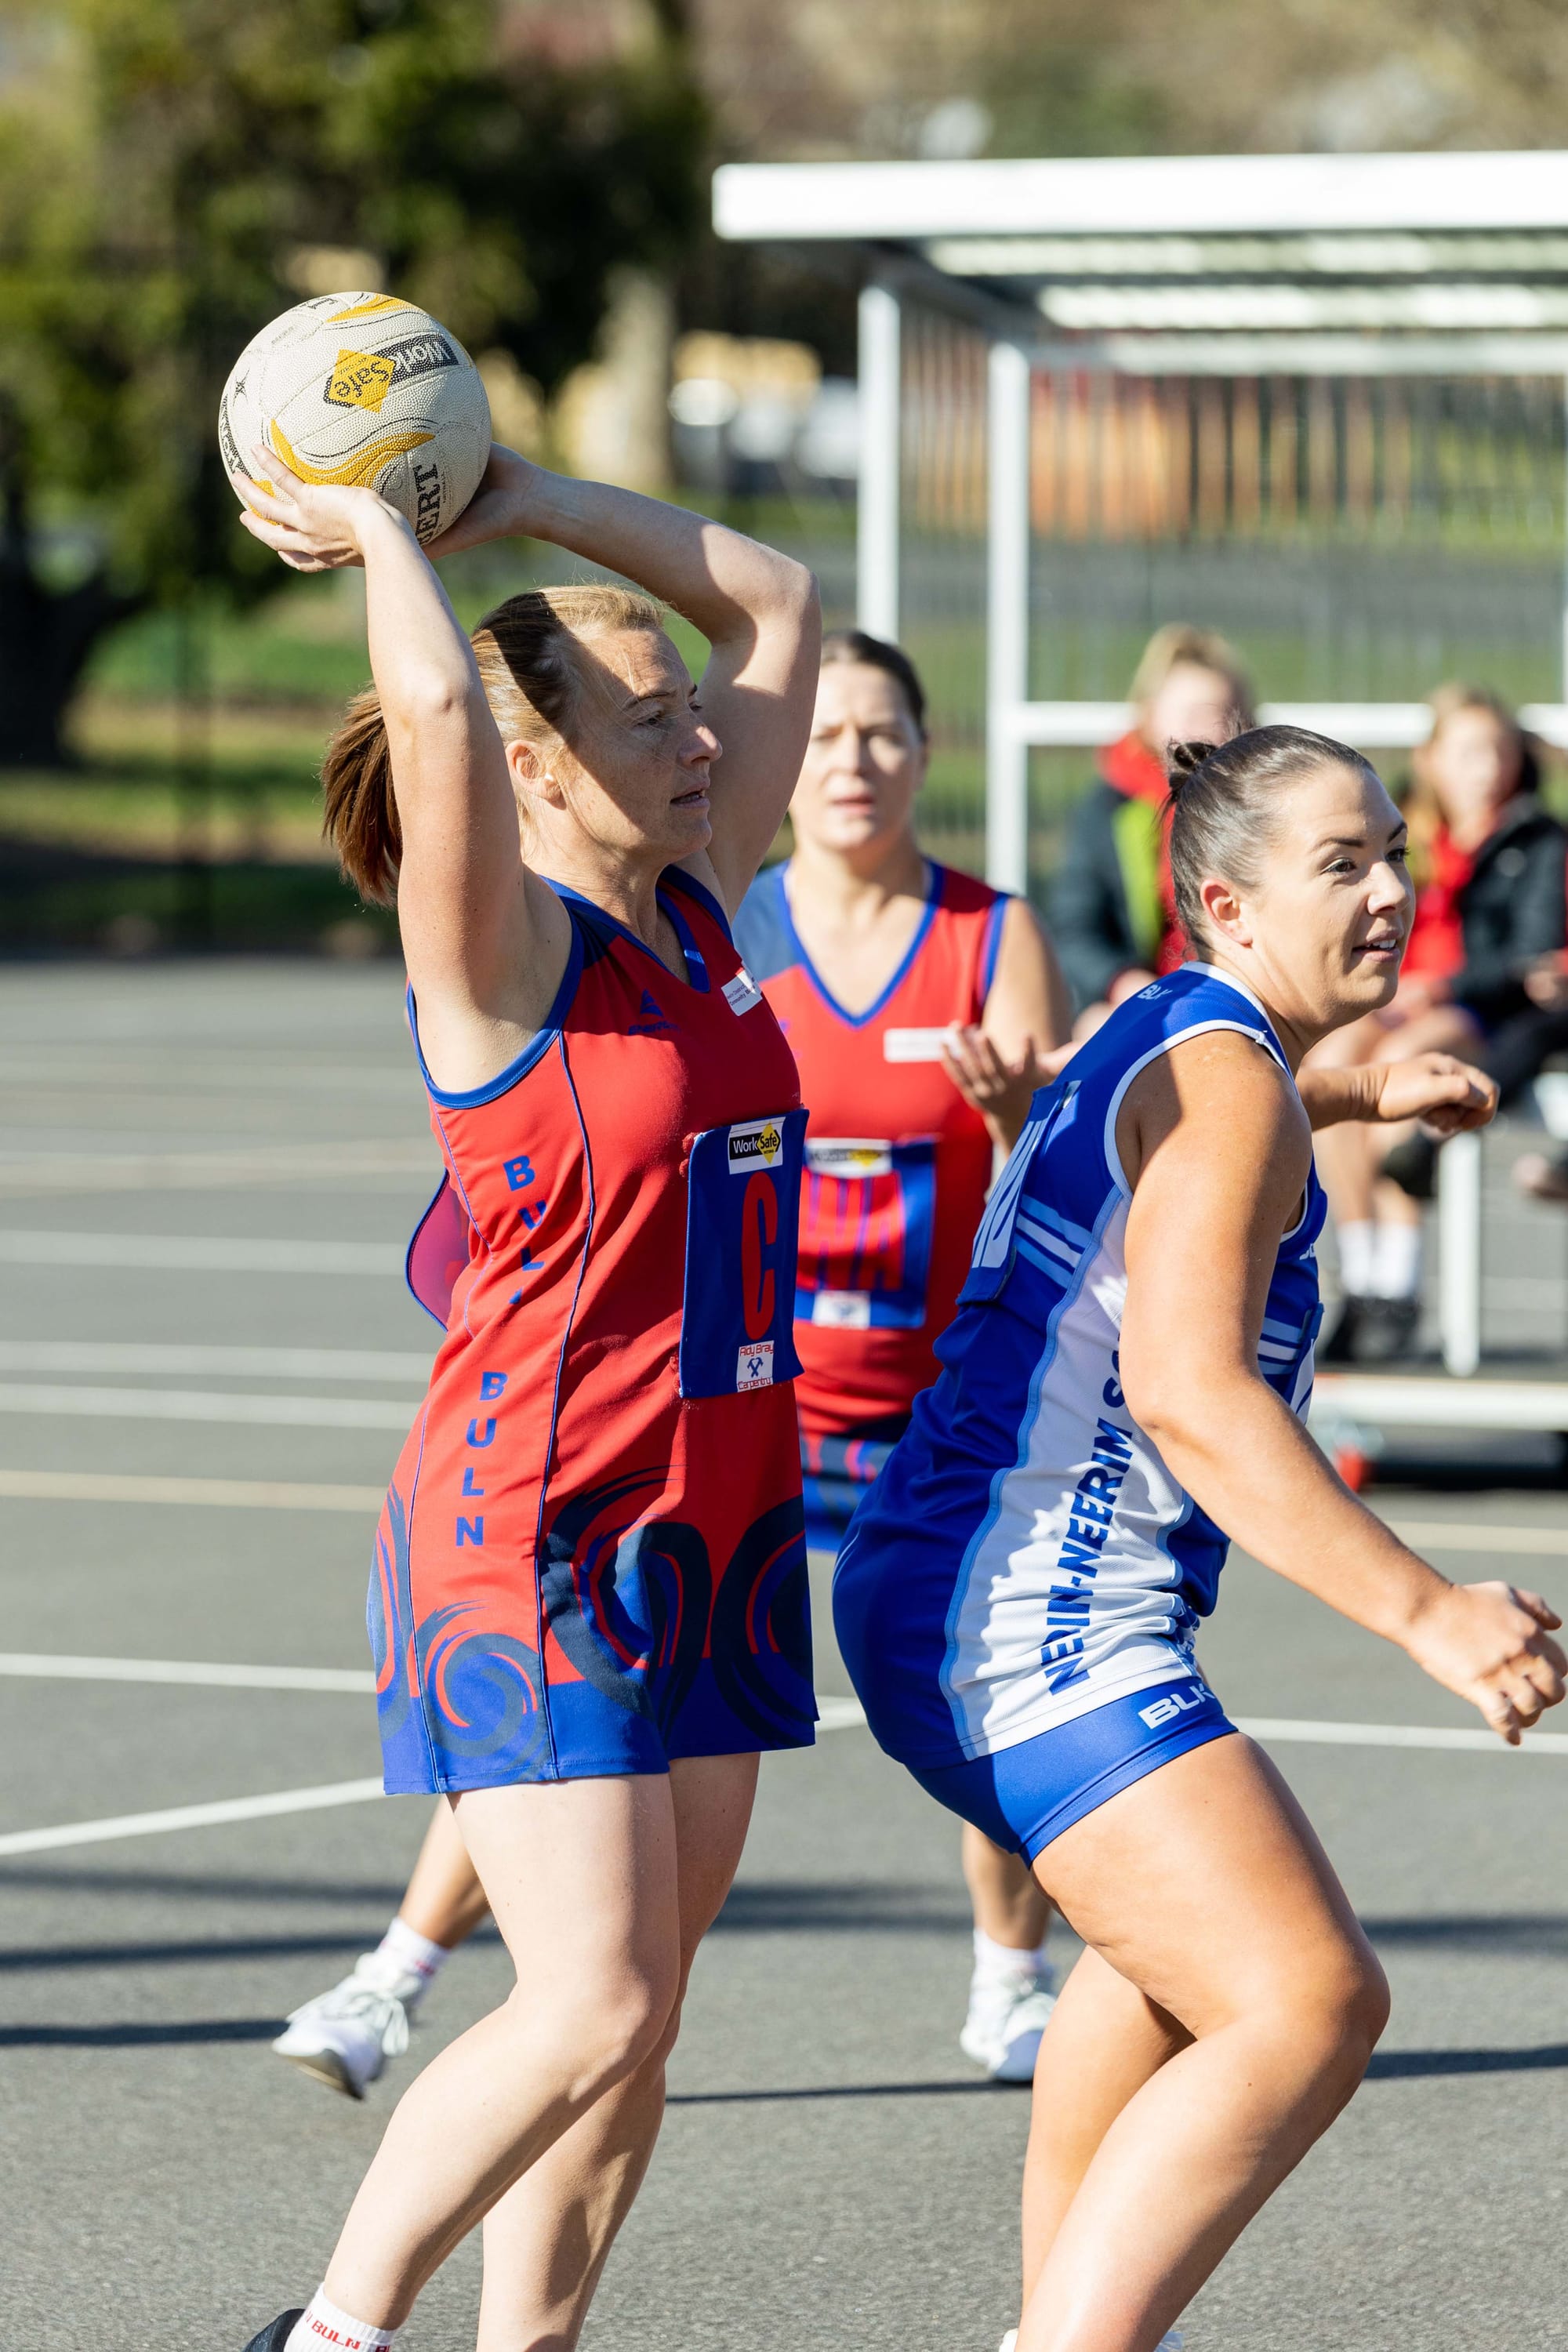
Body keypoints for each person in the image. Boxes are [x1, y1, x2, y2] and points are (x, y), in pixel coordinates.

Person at [832, 724, 1563, 2352]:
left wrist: (1367, 1084)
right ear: (1227, 907)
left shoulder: (1174, 1031)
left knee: (1164, 1970)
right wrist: (1427, 1612)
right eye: (1341, 865)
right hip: (1026, 1610)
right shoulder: (1228, 1088)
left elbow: (1207, 1111)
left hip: (950, 1574)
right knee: (1309, 1997)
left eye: (1389, 852)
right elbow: (1189, 1397)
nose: (1387, 891)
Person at [271, 626, 1076, 2100]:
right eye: (823, 734)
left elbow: (1053, 1164)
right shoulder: (711, 911)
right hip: (664, 1426)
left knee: (985, 1667)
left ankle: (1010, 1970)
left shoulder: (967, 934)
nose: (847, 758)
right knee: (593, 1900)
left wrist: (1030, 1107)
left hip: (887, 1400)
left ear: (926, 756)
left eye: (883, 734)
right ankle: (396, 1979)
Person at [234, 434, 822, 2352]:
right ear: (536, 764)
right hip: (528, 1525)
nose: (701, 738)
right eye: (651, 718)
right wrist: (379, 532)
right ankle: (326, 2333)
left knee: (642, 2002)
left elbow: (783, 601)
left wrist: (536, 498)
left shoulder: (704, 896)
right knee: (586, 2000)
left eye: (686, 709)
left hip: (719, 1519)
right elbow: (426, 695)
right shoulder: (497, 948)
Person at [1308, 685, 1566, 1361]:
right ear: (1431, 759)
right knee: (1337, 1062)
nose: (1485, 769)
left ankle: (1397, 1286)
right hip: (1393, 994)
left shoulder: (1536, 838)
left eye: (1499, 752)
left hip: (1476, 1009)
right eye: (1468, 752)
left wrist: (1440, 987)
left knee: (1403, 1063)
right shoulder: (1400, 828)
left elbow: (1528, 956)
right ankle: (1362, 1275)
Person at [1048, 624, 1254, 1033]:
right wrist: (1126, 982)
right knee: (1100, 1030)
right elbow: (1076, 928)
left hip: (1248, 988)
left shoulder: (1265, 805)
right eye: (1194, 714)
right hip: (1147, 989)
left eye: (1224, 714)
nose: (1209, 732)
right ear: (1150, 715)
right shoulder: (1110, 808)